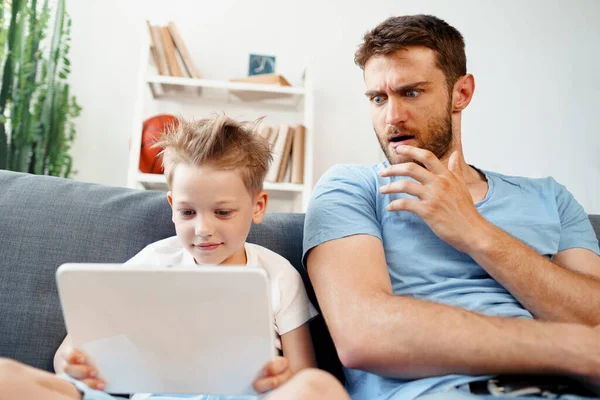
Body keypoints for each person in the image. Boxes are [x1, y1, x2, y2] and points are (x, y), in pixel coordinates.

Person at [303, 14, 600, 400]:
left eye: (411, 92)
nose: (392, 116)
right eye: (378, 98)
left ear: (461, 93)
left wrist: (476, 233)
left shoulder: (550, 197)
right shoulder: (350, 189)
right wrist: (573, 348)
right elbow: (364, 334)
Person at [50, 114, 321, 400]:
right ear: (172, 206)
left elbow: (304, 378)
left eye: (223, 212)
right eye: (187, 212)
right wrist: (73, 364)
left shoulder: (278, 275)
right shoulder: (151, 263)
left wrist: (279, 380)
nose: (203, 230)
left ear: (258, 206)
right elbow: (68, 355)